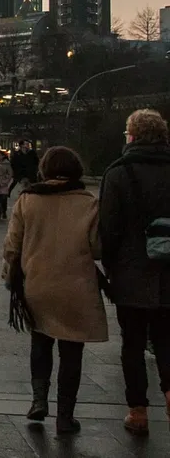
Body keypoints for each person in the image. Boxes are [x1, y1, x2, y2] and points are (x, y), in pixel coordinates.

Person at [2, 145, 107, 435]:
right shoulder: (88, 203)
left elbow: (13, 244)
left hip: (38, 283)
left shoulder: (28, 200)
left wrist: (10, 276)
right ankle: (65, 415)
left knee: (41, 340)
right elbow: (97, 248)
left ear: (44, 169)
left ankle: (38, 400)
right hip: (76, 285)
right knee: (72, 350)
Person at [98, 108, 170, 436]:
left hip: (131, 271)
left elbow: (108, 228)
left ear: (131, 136)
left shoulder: (118, 173)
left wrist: (111, 266)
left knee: (133, 344)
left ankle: (138, 410)